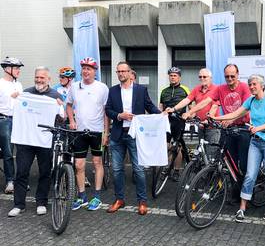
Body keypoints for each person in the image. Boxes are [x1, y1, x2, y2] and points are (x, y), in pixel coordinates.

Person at [212, 74, 265, 222]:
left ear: (262, 85)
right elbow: (235, 114)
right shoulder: (250, 101)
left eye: (254, 84)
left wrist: (258, 128)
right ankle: (242, 207)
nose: (251, 87)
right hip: (255, 142)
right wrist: (216, 118)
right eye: (250, 84)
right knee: (249, 175)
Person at [105, 61, 160, 215]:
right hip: (117, 134)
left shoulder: (141, 90)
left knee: (138, 170)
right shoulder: (113, 91)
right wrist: (119, 116)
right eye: (118, 71)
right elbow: (108, 110)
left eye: (124, 71)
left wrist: (161, 115)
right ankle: (119, 199)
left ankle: (142, 202)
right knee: (116, 170)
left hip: (135, 134)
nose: (121, 74)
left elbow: (150, 106)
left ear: (130, 73)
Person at [8, 67, 63, 217]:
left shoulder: (55, 95)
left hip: (44, 140)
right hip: (25, 140)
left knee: (45, 172)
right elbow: (12, 109)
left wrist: (60, 107)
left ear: (48, 79)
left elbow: (62, 119)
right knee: (21, 172)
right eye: (37, 77)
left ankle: (41, 202)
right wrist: (14, 98)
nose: (39, 80)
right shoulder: (25, 94)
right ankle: (19, 204)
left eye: (42, 78)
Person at [184, 64, 251, 177]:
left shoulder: (244, 87)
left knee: (244, 163)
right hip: (228, 129)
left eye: (232, 76)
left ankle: (247, 191)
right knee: (230, 163)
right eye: (227, 76)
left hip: (242, 128)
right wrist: (190, 112)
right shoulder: (221, 88)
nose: (229, 79)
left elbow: (245, 109)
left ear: (238, 75)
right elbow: (206, 101)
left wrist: (231, 119)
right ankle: (233, 190)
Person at [66, 57, 109, 211]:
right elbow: (69, 105)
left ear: (94, 71)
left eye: (89, 68)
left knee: (97, 163)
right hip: (79, 132)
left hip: (96, 131)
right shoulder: (74, 87)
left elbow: (106, 112)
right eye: (83, 68)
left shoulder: (102, 87)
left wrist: (106, 132)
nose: (86, 71)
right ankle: (82, 196)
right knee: (79, 165)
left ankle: (96, 197)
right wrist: (71, 120)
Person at [165, 68, 220, 156]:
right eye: (200, 77)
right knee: (201, 154)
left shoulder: (216, 89)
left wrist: (208, 119)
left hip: (212, 128)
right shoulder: (197, 89)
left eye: (205, 77)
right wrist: (173, 109)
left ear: (210, 78)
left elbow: (214, 106)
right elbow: (187, 100)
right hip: (201, 126)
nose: (202, 78)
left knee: (211, 155)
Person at [159, 67, 190, 178]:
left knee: (177, 146)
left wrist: (189, 115)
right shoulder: (164, 91)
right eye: (171, 75)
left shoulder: (185, 89)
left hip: (179, 122)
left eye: (175, 75)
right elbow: (161, 107)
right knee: (166, 146)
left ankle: (176, 171)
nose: (173, 77)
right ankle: (166, 168)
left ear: (179, 77)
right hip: (167, 122)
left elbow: (191, 107)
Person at [0, 57, 24, 194]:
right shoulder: (0, 84)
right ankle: (10, 181)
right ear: (7, 69)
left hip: (18, 120)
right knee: (8, 152)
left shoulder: (19, 85)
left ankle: (20, 181)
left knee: (21, 152)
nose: (18, 71)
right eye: (16, 68)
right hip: (4, 120)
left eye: (19, 68)